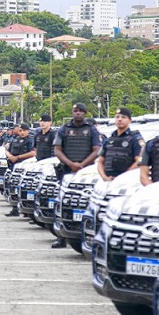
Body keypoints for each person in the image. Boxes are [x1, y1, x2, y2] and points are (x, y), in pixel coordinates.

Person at [51, 104, 102, 248]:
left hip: (86, 173)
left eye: (81, 111)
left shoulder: (91, 130)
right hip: (67, 171)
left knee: (87, 204)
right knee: (61, 203)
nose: (78, 113)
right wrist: (71, 164)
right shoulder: (64, 129)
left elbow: (97, 150)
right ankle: (60, 237)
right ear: (72, 113)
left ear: (85, 113)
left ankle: (88, 236)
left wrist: (82, 165)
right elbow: (57, 150)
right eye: (75, 111)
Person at [97, 107, 145, 181]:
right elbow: (100, 162)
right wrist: (104, 177)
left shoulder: (135, 139)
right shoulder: (109, 140)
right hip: (107, 180)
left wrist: (123, 177)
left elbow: (139, 161)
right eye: (117, 117)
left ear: (130, 121)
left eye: (123, 117)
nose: (120, 119)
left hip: (126, 181)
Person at [4, 123, 35, 217]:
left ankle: (27, 211)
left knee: (24, 189)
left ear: (28, 131)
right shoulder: (15, 139)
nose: (21, 133)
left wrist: (17, 157)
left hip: (25, 168)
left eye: (23, 131)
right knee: (13, 188)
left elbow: (33, 153)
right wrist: (10, 156)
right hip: (14, 167)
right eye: (20, 131)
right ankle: (15, 209)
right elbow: (7, 150)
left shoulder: (30, 140)